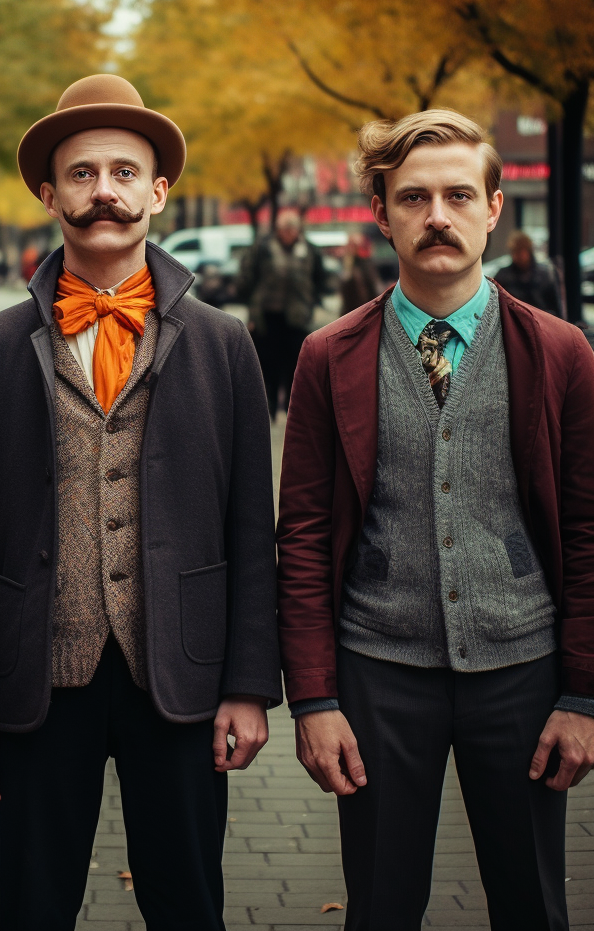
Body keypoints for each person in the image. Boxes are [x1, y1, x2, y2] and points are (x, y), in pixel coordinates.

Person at [0, 74, 281, 931]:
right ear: (48, 193)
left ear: (158, 192)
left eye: (125, 173)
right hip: (37, 679)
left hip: (184, 674)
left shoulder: (226, 345)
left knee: (188, 902)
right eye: (82, 174)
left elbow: (251, 530)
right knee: (33, 905)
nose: (105, 193)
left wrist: (248, 684)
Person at [276, 109, 594, 930]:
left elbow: (591, 532)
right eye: (413, 198)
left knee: (533, 906)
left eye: (459, 195)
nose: (438, 217)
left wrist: (583, 697)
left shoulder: (560, 354)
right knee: (380, 907)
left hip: (523, 672)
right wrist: (312, 699)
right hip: (376, 672)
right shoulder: (329, 355)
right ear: (381, 214)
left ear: (494, 207)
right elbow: (304, 536)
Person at [238, 208, 328, 419]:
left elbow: (320, 279)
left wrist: (311, 302)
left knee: (295, 363)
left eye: (292, 228)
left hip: (297, 317)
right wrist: (252, 308)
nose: (288, 233)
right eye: (284, 229)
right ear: (277, 230)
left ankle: (290, 407)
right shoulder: (264, 248)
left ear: (298, 230)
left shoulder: (309, 250)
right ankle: (268, 407)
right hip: (267, 316)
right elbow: (247, 278)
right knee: (268, 363)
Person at [494, 230, 562, 316]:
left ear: (527, 251)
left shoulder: (546, 274)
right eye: (515, 251)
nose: (518, 256)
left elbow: (556, 309)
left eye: (520, 251)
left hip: (541, 322)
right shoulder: (503, 276)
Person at [339, 232, 383, 314]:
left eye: (353, 245)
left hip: (363, 313)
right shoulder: (348, 266)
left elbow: (375, 291)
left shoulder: (365, 266)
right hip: (354, 314)